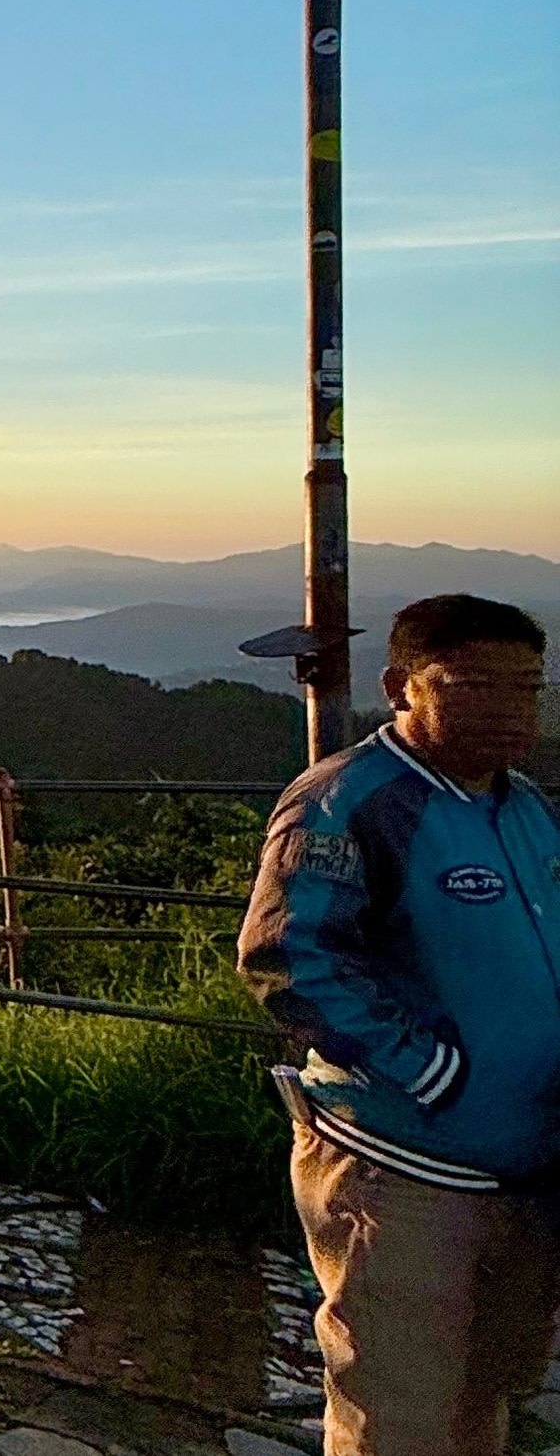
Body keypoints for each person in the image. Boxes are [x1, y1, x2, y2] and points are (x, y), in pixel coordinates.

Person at [239, 593, 559, 1456]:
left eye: (528, 685)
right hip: (401, 1170)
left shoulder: (524, 805)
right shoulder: (351, 801)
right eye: (475, 684)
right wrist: (436, 1073)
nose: (510, 707)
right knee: (398, 1414)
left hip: (523, 1171)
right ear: (400, 687)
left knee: (482, 1400)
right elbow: (290, 960)